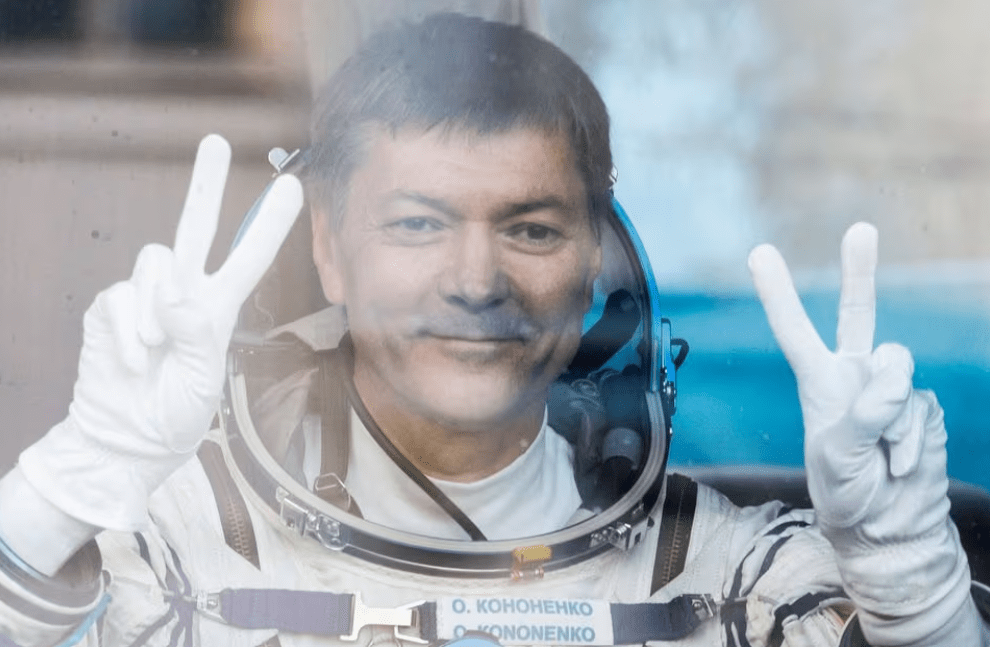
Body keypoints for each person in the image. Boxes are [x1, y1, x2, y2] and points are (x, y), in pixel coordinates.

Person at [0, 12, 986, 647]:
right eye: (417, 224)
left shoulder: (725, 574)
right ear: (330, 251)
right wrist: (62, 491)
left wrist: (907, 574)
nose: (476, 281)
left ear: (595, 259)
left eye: (532, 229)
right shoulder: (183, 553)